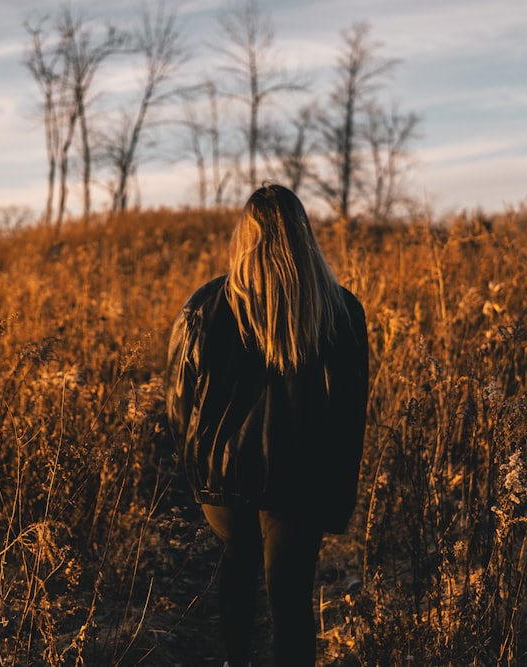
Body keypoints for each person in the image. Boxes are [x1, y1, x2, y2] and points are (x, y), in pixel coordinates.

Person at [165, 184, 369, 667]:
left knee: (237, 571)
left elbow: (178, 400)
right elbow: (348, 415)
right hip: (302, 481)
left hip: (224, 475)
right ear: (303, 235)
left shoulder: (204, 305)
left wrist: (197, 470)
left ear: (244, 235)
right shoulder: (340, 310)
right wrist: (339, 496)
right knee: (291, 599)